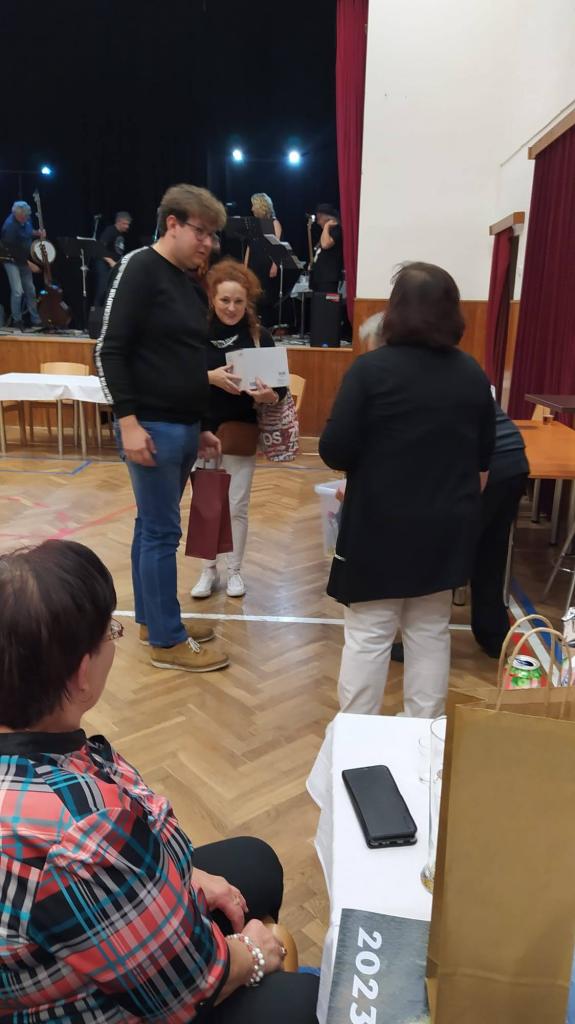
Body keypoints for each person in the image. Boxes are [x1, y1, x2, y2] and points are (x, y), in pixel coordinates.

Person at [0, 539, 319, 1023]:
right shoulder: (84, 831)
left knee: (253, 861)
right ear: (82, 674)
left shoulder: (37, 759)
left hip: (63, 943)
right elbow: (185, 985)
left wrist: (186, 876)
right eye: (110, 631)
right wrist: (255, 952)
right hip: (84, 1005)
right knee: (302, 1002)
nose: (115, 639)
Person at [319, 262, 495, 718]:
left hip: (379, 523)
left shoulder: (370, 371)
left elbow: (334, 449)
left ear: (395, 310)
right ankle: (423, 735)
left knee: (369, 634)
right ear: (453, 312)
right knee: (430, 632)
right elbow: (483, 461)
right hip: (446, 526)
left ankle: (357, 735)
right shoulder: (472, 374)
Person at [96, 183, 230, 673]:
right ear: (172, 223)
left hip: (182, 426)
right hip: (150, 426)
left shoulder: (185, 281)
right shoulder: (139, 268)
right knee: (161, 532)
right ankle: (168, 643)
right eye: (200, 232)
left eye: (213, 235)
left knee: (150, 528)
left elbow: (187, 359)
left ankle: (155, 619)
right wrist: (128, 422)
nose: (207, 243)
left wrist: (203, 425)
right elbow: (108, 350)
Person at [192, 259, 286, 599]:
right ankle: (207, 571)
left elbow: (280, 390)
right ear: (212, 299)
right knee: (206, 504)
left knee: (236, 505)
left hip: (241, 431)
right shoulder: (195, 335)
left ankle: (234, 571)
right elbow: (177, 378)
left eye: (238, 301)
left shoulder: (259, 338)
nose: (231, 307)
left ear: (248, 302)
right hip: (202, 429)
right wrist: (210, 377)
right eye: (224, 300)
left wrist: (267, 395)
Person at [0, 200, 44, 329]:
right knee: (18, 291)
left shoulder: (26, 218)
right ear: (16, 215)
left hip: (22, 258)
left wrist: (37, 233)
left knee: (30, 290)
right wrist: (29, 264)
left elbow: (28, 231)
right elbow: (14, 252)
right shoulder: (9, 228)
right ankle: (17, 320)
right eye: (23, 217)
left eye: (26, 216)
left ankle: (35, 319)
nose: (25, 219)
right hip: (11, 259)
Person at [245, 193, 282, 327]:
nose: (252, 209)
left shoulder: (274, 222)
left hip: (266, 265)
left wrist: (275, 265)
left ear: (261, 206)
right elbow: (249, 246)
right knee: (252, 297)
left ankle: (266, 327)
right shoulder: (254, 224)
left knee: (265, 298)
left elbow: (277, 246)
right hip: (253, 263)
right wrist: (244, 266)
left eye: (253, 205)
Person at [94, 210, 132, 306]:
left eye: (128, 224)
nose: (127, 226)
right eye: (125, 224)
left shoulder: (121, 234)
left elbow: (117, 251)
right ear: (118, 222)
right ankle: (96, 310)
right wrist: (110, 261)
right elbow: (100, 248)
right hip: (103, 264)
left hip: (114, 265)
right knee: (102, 289)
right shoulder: (110, 231)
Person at [309, 204, 343, 295]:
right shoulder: (327, 232)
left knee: (325, 303)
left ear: (326, 218)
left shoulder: (337, 230)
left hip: (328, 278)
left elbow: (325, 244)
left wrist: (327, 226)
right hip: (320, 277)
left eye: (319, 219)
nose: (318, 222)